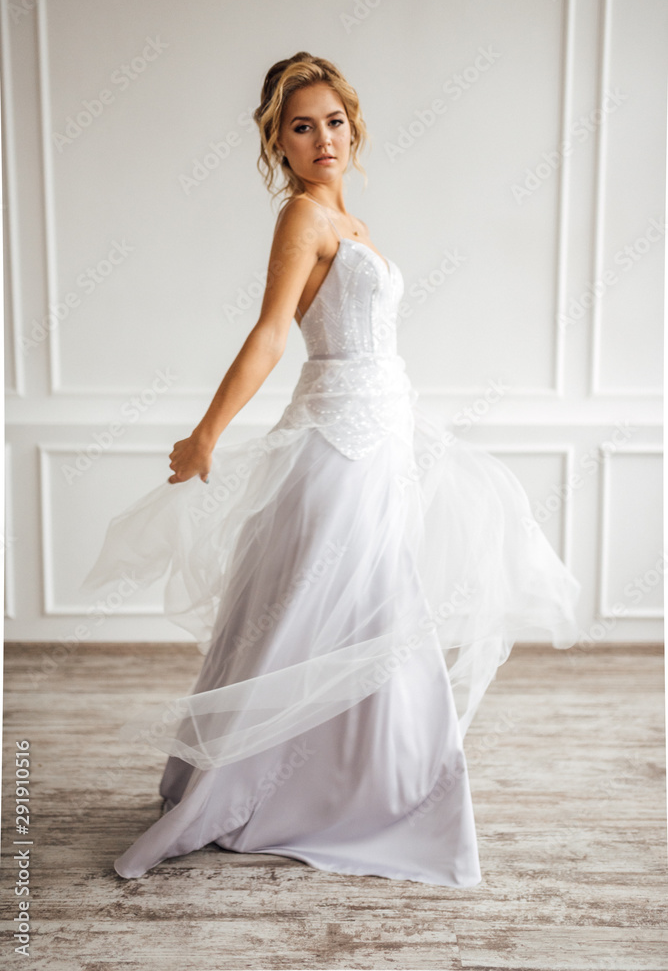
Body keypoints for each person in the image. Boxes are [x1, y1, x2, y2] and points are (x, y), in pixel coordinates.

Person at [79, 52, 581, 886]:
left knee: (360, 614)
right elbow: (273, 335)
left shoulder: (355, 226)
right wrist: (206, 434)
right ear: (278, 143)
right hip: (336, 445)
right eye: (301, 127)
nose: (322, 139)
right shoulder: (304, 219)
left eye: (334, 122)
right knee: (337, 613)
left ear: (354, 124)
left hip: (383, 439)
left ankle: (367, 787)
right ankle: (353, 794)